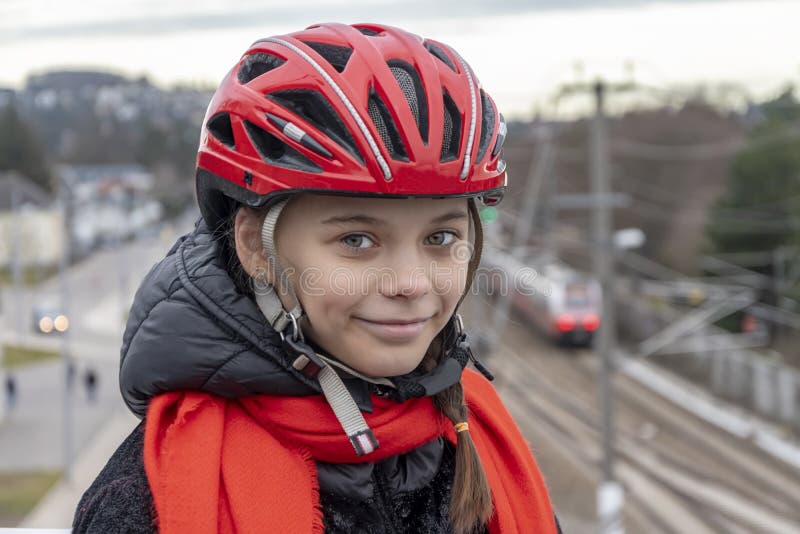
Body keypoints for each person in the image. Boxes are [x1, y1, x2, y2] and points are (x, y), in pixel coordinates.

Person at [73, 23, 561, 533]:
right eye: (357, 240)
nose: (411, 283)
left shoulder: (477, 435)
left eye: (439, 239)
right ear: (252, 247)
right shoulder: (145, 501)